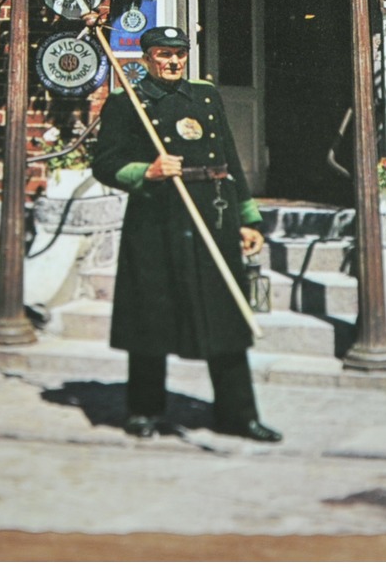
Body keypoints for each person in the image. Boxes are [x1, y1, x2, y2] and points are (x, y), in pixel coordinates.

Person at [90, 24, 283, 443]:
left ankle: (239, 414)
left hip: (214, 213)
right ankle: (144, 409)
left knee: (227, 313)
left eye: (179, 54)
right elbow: (104, 162)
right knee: (150, 315)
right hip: (157, 218)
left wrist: (248, 219)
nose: (173, 61)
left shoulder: (206, 95)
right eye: (163, 54)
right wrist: (147, 171)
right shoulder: (129, 102)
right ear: (146, 58)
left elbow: (229, 158)